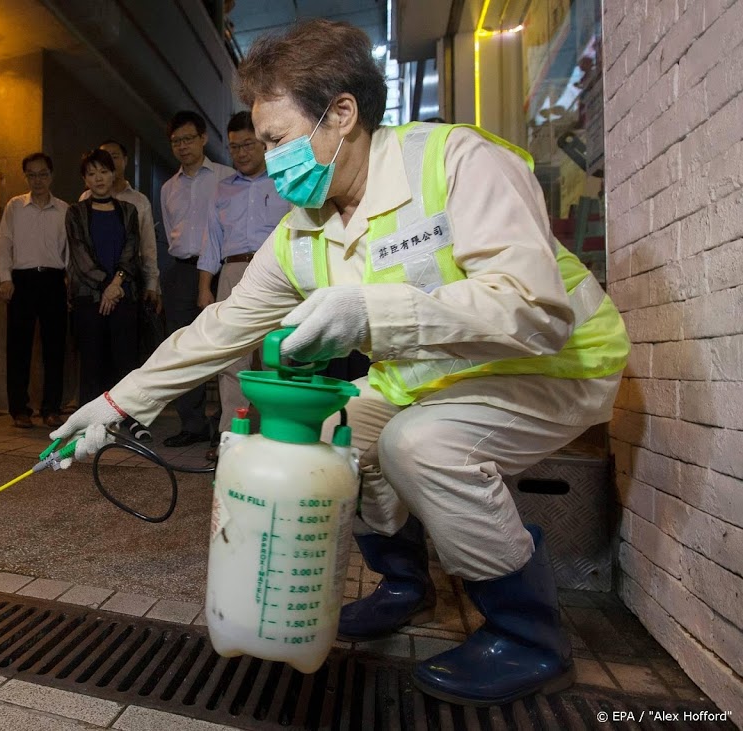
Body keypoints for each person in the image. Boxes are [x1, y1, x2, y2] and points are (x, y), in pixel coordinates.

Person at [50, 19, 630, 707]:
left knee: (420, 444)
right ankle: (405, 585)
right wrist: (119, 405)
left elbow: (535, 309)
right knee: (329, 434)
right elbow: (220, 329)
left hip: (555, 362)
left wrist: (372, 311)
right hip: (430, 376)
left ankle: (530, 635)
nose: (266, 161)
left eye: (276, 140)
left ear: (342, 114)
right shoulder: (301, 231)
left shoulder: (455, 162)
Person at [197, 110, 290, 448]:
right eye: (234, 147)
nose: (241, 153)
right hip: (232, 273)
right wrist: (204, 287)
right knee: (231, 359)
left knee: (276, 358)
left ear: (263, 144)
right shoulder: (221, 190)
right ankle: (229, 437)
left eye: (248, 145)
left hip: (277, 274)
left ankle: (276, 437)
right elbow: (211, 241)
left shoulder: (285, 182)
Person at [159, 110, 234, 447]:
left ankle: (226, 421)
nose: (182, 146)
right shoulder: (167, 188)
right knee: (182, 349)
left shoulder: (226, 177)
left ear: (203, 138)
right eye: (176, 141)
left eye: (188, 139)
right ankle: (192, 423)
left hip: (220, 271)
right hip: (180, 271)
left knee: (223, 346)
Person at [67, 149, 150, 441]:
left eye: (103, 171)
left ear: (114, 173)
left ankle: (129, 419)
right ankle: (90, 425)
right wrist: (107, 285)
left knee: (125, 359)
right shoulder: (75, 212)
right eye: (91, 173)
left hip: (122, 295)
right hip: (88, 298)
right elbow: (80, 256)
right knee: (91, 361)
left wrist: (116, 285)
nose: (98, 178)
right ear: (84, 179)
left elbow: (131, 252)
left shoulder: (129, 211)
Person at [0, 152, 69, 429]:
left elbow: (70, 250)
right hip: (21, 281)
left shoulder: (64, 209)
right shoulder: (15, 206)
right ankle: (19, 410)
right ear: (26, 176)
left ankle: (52, 408)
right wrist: (5, 278)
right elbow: (3, 245)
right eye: (32, 175)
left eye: (43, 174)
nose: (38, 180)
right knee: (18, 348)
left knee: (55, 348)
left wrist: (69, 282)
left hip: (54, 281)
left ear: (51, 175)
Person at [78, 140, 160, 312]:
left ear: (124, 160)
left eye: (113, 158)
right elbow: (78, 248)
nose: (99, 176)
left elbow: (147, 247)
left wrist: (152, 283)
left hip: (127, 281)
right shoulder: (83, 202)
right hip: (90, 284)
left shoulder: (136, 203)